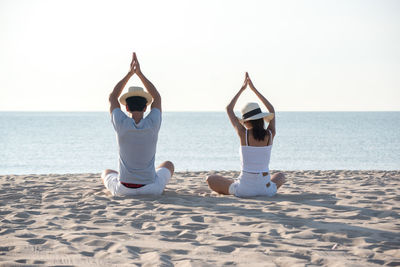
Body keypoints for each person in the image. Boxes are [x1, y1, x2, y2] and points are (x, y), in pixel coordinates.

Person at [101, 52, 174, 196]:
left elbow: (113, 97)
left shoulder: (121, 124)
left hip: (124, 190)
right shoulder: (153, 123)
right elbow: (157, 97)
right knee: (168, 165)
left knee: (106, 173)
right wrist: (140, 74)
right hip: (151, 189)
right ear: (146, 107)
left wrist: (130, 74)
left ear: (126, 107)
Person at [206, 72, 286, 197]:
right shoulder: (270, 134)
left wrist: (242, 89)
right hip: (266, 190)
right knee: (281, 176)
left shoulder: (244, 134)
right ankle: (260, 185)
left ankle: (239, 184)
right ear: (260, 118)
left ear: (246, 121)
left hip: (244, 190)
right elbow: (271, 110)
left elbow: (229, 109)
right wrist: (254, 90)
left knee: (210, 179)